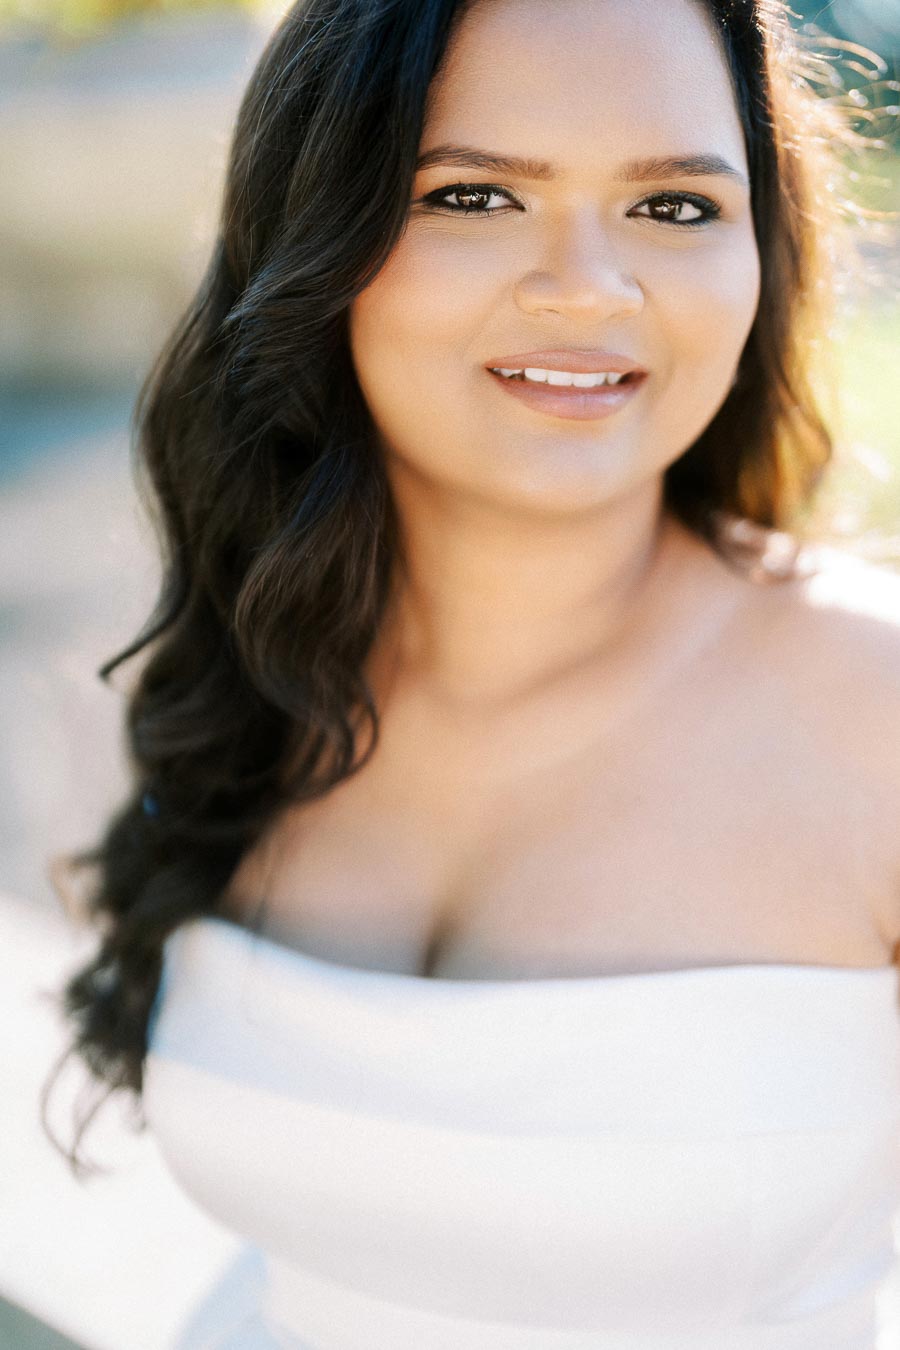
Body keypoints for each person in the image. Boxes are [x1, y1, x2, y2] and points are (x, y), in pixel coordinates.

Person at [43, 0, 900, 1345]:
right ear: (319, 228)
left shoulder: (877, 718)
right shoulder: (263, 661)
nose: (589, 287)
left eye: (674, 209)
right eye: (478, 193)